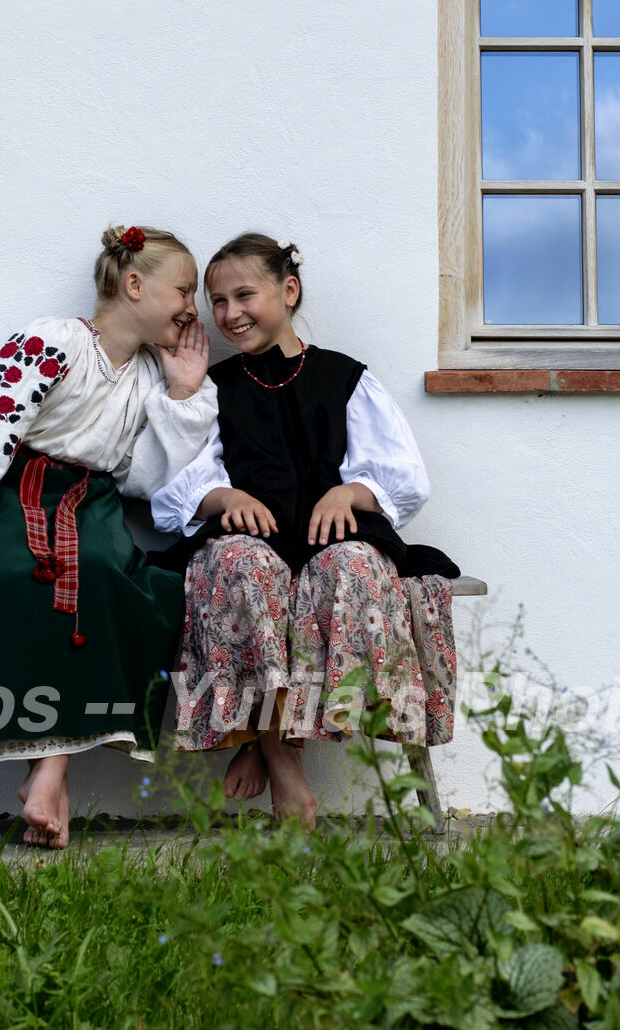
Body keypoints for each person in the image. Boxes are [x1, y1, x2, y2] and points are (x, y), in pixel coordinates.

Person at [0, 225, 215, 848]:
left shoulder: (150, 375)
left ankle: (49, 775)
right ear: (134, 283)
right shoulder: (53, 340)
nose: (193, 307)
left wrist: (183, 393)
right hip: (14, 498)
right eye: (185, 289)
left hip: (93, 507)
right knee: (12, 578)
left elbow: (149, 479)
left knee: (99, 574)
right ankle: (49, 780)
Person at [151, 232, 458, 828]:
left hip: (329, 543)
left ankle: (265, 740)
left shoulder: (345, 378)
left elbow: (405, 475)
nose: (231, 314)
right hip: (255, 543)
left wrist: (353, 491)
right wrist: (222, 496)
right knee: (240, 566)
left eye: (245, 295)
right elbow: (174, 482)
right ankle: (281, 762)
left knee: (352, 569)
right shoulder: (219, 387)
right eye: (218, 302)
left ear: (288, 291)